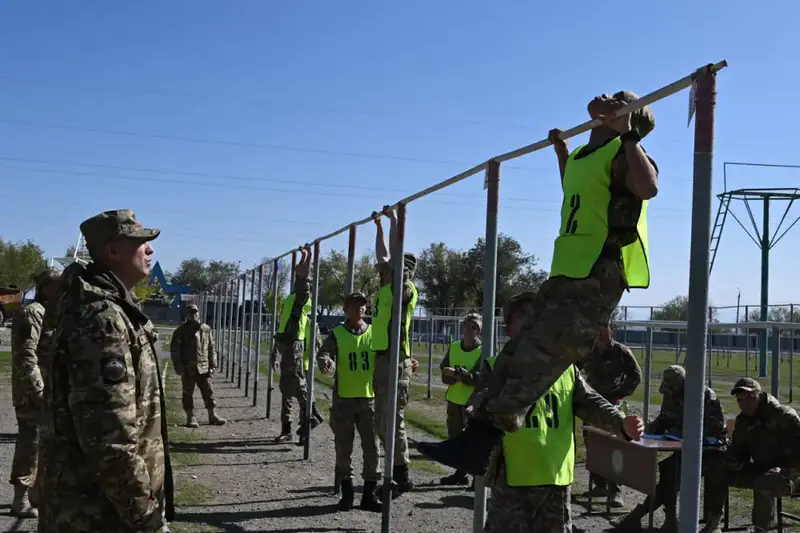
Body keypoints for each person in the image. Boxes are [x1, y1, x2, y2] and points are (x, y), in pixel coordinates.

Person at [419, 90, 659, 475]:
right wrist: (562, 151)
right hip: (566, 269)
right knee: (515, 352)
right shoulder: (587, 155)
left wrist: (629, 134)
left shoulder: (624, 152)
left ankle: (484, 440)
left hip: (596, 277)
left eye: (617, 99)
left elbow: (647, 187)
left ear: (625, 117)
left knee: (538, 360)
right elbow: (574, 187)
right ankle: (476, 434)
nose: (605, 97)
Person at [38, 209, 173, 532]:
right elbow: (110, 441)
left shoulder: (112, 309)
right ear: (113, 251)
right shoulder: (103, 322)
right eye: (140, 243)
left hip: (101, 508)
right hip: (98, 514)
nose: (150, 249)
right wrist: (147, 519)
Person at [480, 291, 644, 532]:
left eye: (538, 315)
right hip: (512, 480)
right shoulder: (496, 368)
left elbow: (591, 403)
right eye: (524, 315)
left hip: (556, 480)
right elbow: (480, 412)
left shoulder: (565, 369)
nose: (532, 321)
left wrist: (621, 423)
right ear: (509, 328)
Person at [615, 364, 725, 532]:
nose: (671, 392)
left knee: (672, 473)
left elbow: (714, 428)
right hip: (683, 448)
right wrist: (644, 432)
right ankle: (669, 517)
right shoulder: (671, 394)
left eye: (673, 388)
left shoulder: (704, 396)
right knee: (668, 470)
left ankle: (641, 514)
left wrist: (683, 432)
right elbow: (663, 419)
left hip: (709, 451)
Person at [701, 378, 800, 533]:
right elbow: (738, 449)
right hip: (762, 469)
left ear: (759, 395)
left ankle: (760, 530)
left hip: (792, 475)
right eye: (740, 400)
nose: (744, 403)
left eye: (749, 398)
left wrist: (789, 470)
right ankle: (713, 523)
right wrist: (733, 460)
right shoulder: (743, 421)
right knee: (716, 469)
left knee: (766, 482)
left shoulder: (783, 416)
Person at [316, 292, 382, 512]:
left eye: (363, 305)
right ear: (346, 309)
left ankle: (370, 494)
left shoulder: (374, 333)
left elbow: (387, 355)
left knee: (372, 448)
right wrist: (326, 362)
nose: (361, 308)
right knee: (343, 449)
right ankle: (347, 494)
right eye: (356, 305)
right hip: (344, 401)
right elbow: (324, 354)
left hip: (369, 400)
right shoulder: (337, 334)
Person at [370, 205, 420, 495]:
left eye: (394, 266)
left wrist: (395, 220)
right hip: (382, 359)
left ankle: (402, 474)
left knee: (393, 420)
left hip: (396, 361)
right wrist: (378, 226)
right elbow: (383, 256)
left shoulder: (406, 289)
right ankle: (393, 468)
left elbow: (394, 255)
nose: (386, 268)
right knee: (380, 422)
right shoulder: (386, 288)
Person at [9, 268, 60, 518]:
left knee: (46, 443)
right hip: (32, 391)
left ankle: (38, 495)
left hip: (48, 389)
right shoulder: (33, 313)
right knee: (31, 442)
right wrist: (39, 393)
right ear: (47, 288)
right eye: (58, 285)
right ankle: (20, 497)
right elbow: (27, 358)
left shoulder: (51, 314)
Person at [579, 324, 642, 507]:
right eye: (597, 326)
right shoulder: (588, 350)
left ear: (611, 330)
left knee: (613, 446)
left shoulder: (620, 351)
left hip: (612, 404)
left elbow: (636, 376)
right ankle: (599, 485)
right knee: (593, 445)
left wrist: (621, 392)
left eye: (604, 327)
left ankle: (616, 491)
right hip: (591, 405)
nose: (600, 330)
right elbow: (575, 370)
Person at [271, 247, 324, 443]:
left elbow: (303, 282)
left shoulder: (302, 300)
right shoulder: (291, 299)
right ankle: (289, 429)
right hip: (285, 344)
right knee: (286, 389)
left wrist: (308, 262)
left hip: (296, 350)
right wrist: (304, 257)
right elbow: (282, 326)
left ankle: (310, 420)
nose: (297, 279)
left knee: (299, 389)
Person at [439, 313, 483, 486]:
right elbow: (444, 370)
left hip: (471, 402)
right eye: (467, 325)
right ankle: (460, 472)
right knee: (455, 437)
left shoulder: (482, 351)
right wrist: (454, 376)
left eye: (475, 327)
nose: (470, 330)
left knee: (473, 439)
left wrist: (459, 374)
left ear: (479, 332)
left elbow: (480, 378)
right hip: (454, 400)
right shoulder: (454, 346)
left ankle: (476, 478)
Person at [170, 303, 226, 428]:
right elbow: (175, 351)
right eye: (191, 313)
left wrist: (213, 364)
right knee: (187, 393)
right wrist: (179, 367)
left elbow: (211, 347)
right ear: (187, 315)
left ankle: (212, 415)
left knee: (209, 392)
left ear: (199, 313)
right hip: (188, 369)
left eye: (195, 312)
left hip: (204, 368)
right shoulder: (180, 331)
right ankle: (190, 417)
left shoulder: (206, 329)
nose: (194, 315)